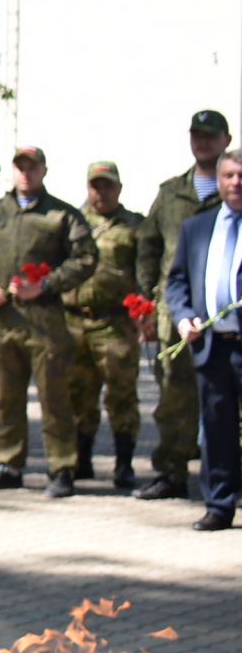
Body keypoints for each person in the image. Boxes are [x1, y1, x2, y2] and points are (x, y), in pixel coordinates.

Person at [0, 146, 97, 497]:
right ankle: (9, 464)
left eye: (32, 168)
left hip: (46, 323)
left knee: (55, 398)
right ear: (13, 171)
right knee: (6, 397)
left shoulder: (61, 215)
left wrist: (47, 284)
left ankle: (62, 467)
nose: (26, 173)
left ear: (43, 171)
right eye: (20, 167)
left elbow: (86, 258)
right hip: (3, 321)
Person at [135, 109, 232, 500]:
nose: (202, 142)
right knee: (174, 398)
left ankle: (230, 478)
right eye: (197, 135)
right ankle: (172, 472)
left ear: (226, 140)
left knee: (229, 402)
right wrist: (145, 297)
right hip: (176, 312)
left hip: (225, 313)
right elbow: (148, 246)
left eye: (210, 135)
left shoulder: (235, 189)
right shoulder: (171, 192)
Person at [163, 149, 242, 531]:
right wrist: (182, 318)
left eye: (241, 176)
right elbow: (177, 281)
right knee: (216, 427)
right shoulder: (198, 227)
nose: (236, 183)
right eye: (229, 176)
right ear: (219, 180)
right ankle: (219, 504)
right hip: (212, 345)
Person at [64, 161, 144, 490]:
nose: (102, 191)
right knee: (78, 395)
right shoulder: (73, 223)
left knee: (121, 394)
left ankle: (123, 464)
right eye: (96, 185)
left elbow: (145, 273)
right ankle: (81, 460)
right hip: (74, 320)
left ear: (119, 188)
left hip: (115, 322)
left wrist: (145, 313)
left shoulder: (134, 226)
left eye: (108, 185)